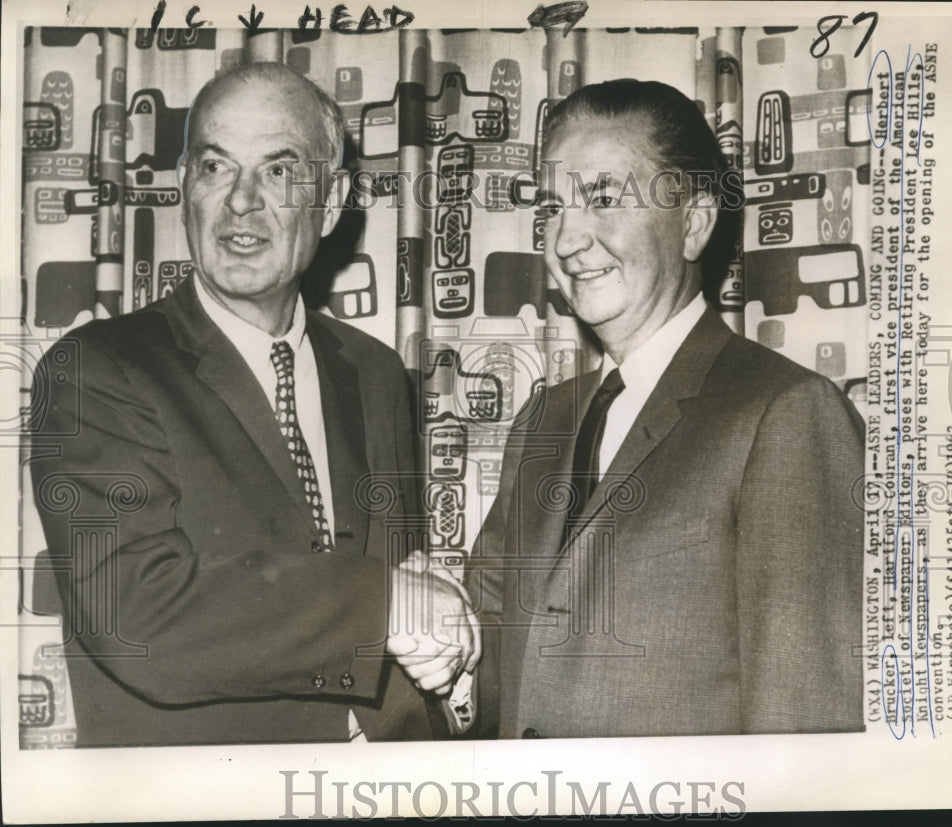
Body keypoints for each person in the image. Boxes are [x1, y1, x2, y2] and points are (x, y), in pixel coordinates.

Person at [29, 62, 475, 747]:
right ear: (185, 190)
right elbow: (136, 615)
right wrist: (387, 606)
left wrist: (443, 645)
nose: (240, 201)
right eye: (215, 166)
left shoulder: (378, 373)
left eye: (278, 170)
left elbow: (398, 584)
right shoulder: (97, 369)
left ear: (330, 203)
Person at [466, 79, 864, 739]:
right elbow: (485, 665)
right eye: (553, 207)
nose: (567, 240)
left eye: (602, 198)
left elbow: (805, 734)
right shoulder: (538, 423)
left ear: (695, 223)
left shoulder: (787, 413)